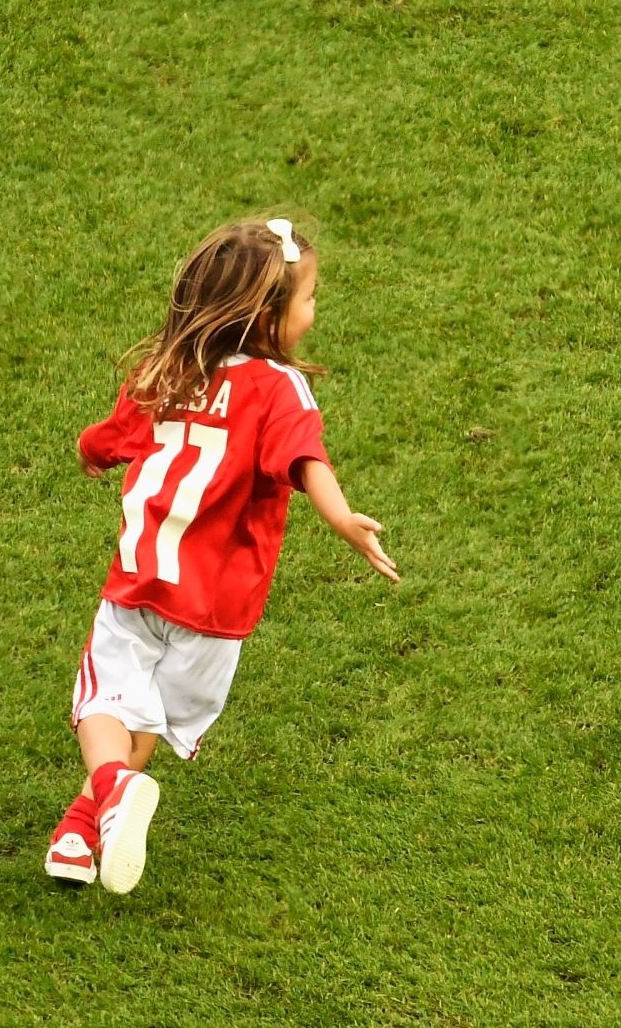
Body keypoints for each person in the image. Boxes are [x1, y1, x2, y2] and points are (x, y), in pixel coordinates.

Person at [45, 217, 399, 893]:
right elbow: (306, 459)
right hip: (218, 615)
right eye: (310, 299)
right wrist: (340, 517)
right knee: (144, 721)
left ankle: (109, 790)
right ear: (269, 317)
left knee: (104, 706)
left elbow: (109, 438)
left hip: (141, 583)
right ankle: (82, 827)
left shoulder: (165, 369)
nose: (314, 311)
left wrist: (90, 451)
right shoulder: (278, 388)